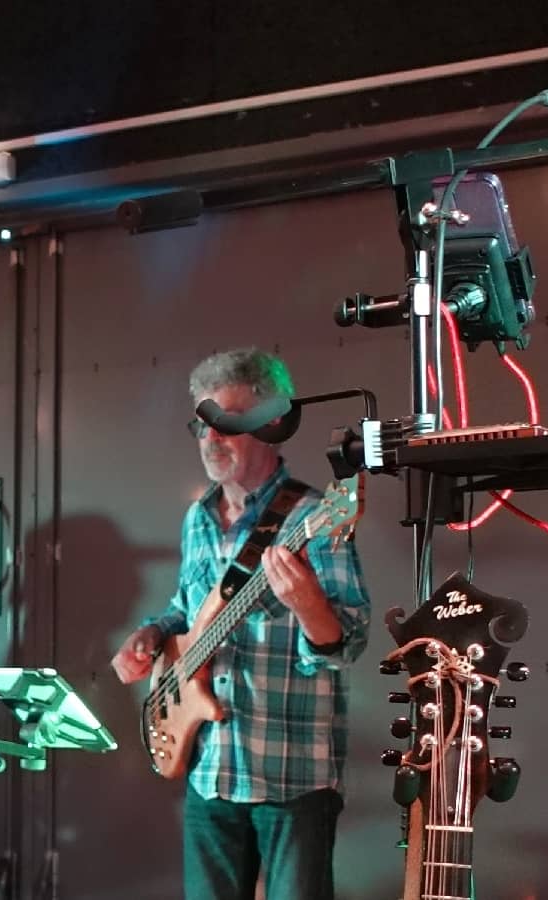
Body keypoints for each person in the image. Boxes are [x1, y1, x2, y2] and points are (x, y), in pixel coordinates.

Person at [110, 347, 371, 900]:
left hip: (292, 776)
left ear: (270, 425)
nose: (210, 439)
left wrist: (309, 608)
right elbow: (187, 609)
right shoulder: (197, 517)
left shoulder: (314, 516)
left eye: (225, 424)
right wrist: (151, 635)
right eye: (200, 425)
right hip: (211, 770)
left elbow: (348, 641)